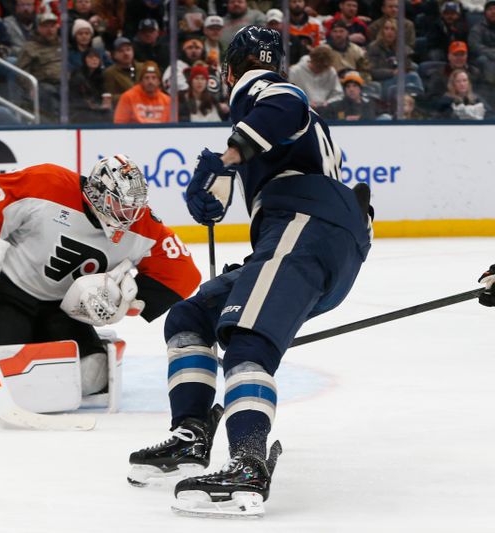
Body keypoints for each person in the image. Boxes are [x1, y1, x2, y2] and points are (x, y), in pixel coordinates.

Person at [127, 25, 372, 518]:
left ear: (231, 67)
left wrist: (227, 157)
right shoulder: (284, 130)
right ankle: (192, 434)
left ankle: (246, 462)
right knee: (190, 318)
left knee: (247, 340)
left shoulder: (258, 86)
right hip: (309, 234)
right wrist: (222, 185)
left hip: (306, 226)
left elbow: (288, 103)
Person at [0, 156, 200, 398]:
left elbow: (184, 273)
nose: (129, 216)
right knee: (6, 370)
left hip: (65, 310)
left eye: (134, 207)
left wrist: (130, 297)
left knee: (92, 375)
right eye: (120, 206)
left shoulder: (143, 225)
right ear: (97, 193)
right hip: (8, 295)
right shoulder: (45, 183)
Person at [16, 11, 62, 122]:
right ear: (39, 28)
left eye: (52, 26)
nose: (50, 30)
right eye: (45, 26)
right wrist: (31, 87)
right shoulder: (30, 47)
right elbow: (21, 72)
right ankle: (54, 125)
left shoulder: (63, 44)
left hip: (65, 83)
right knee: (48, 93)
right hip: (44, 84)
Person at [287, 45, 343, 111]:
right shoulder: (295, 72)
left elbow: (338, 94)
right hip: (302, 110)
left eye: (324, 68)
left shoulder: (330, 71)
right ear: (312, 60)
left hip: (326, 112)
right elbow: (290, 95)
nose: (320, 70)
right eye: (318, 67)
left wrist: (328, 102)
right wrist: (306, 103)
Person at [69, 47, 112, 123]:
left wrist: (105, 102)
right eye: (91, 57)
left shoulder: (99, 76)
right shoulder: (78, 77)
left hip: (95, 109)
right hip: (80, 111)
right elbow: (77, 99)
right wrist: (95, 106)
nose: (94, 59)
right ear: (84, 59)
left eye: (97, 57)